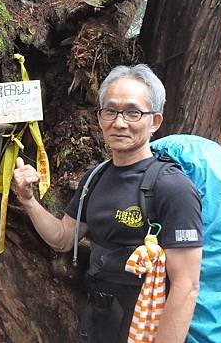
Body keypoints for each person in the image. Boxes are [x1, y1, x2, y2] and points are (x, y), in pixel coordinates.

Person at [13, 64, 202, 343]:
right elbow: (64, 239)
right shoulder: (95, 177)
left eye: (133, 112)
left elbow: (186, 287)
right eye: (110, 111)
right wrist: (28, 201)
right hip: (98, 319)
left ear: (155, 121)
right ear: (100, 117)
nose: (119, 122)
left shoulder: (172, 187)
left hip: (144, 327)